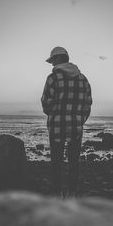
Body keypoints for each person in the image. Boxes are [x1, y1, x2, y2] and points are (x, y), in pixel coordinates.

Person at [41, 46, 92, 198]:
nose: (51, 64)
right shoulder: (83, 79)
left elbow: (46, 102)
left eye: (52, 60)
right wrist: (80, 120)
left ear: (57, 59)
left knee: (56, 162)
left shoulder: (53, 78)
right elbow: (87, 104)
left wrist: (53, 114)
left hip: (57, 126)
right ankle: (72, 193)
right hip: (76, 127)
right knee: (73, 162)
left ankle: (57, 193)